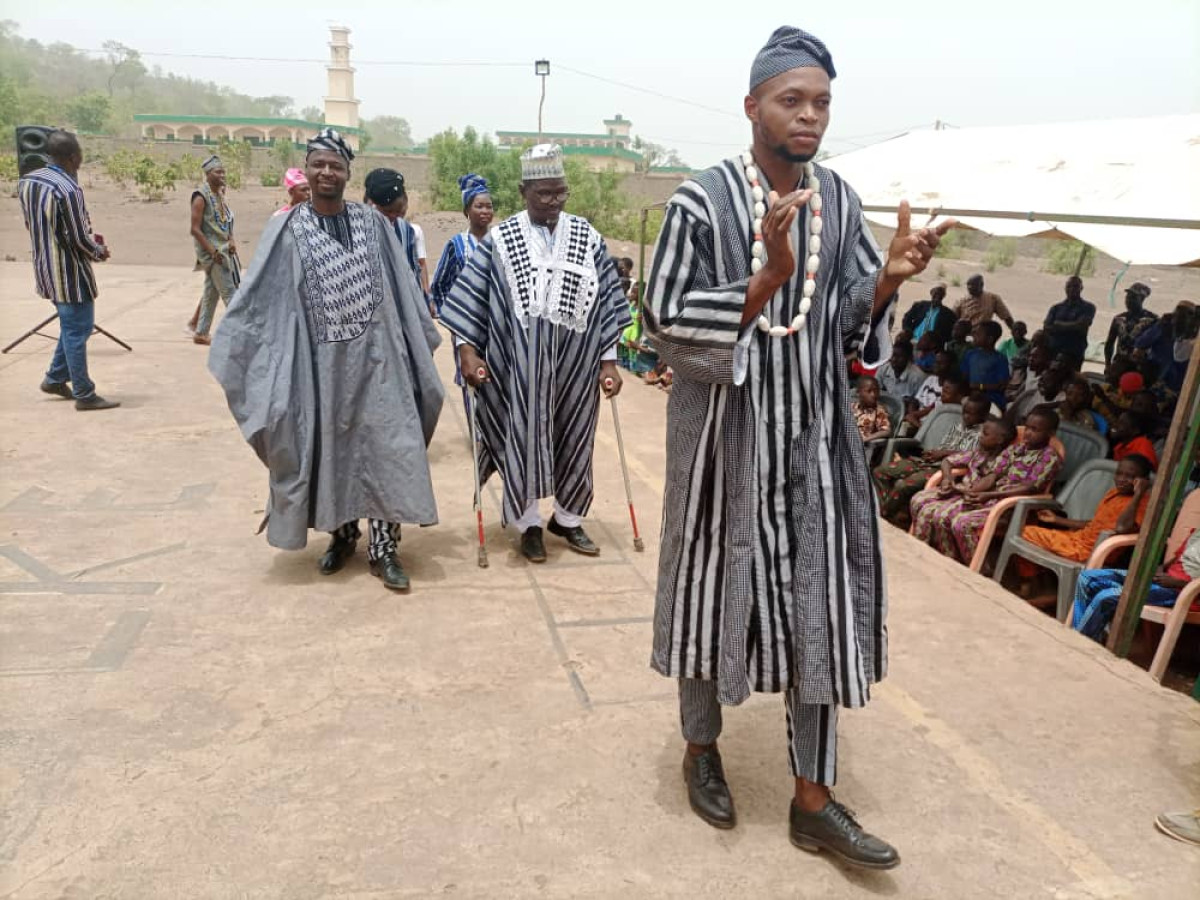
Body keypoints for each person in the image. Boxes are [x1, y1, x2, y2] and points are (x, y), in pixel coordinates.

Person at [643, 26, 953, 870]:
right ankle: (702, 749)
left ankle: (813, 799)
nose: (810, 115)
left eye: (821, 101)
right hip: (723, 449)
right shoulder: (699, 203)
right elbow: (666, 325)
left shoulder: (841, 201)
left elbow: (849, 316)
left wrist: (888, 278)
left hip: (813, 445)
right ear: (752, 107)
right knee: (712, 593)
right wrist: (765, 280)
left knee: (820, 604)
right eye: (792, 99)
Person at [208, 129, 444, 593]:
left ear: (348, 173)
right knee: (329, 449)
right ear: (307, 170)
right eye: (318, 164)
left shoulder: (373, 224)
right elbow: (262, 295)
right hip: (319, 368)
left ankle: (385, 548)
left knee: (385, 449)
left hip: (380, 365)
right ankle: (342, 535)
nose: (326, 172)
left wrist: (412, 345)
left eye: (335, 165)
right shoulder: (286, 228)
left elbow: (403, 291)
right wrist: (240, 341)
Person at [440, 143, 632, 563]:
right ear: (524, 190)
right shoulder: (501, 241)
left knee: (576, 438)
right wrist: (467, 353)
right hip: (520, 367)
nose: (554, 202)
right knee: (523, 438)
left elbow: (608, 306)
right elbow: (470, 300)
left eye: (561, 192)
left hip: (576, 366)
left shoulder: (587, 237)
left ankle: (568, 517)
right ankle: (528, 525)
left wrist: (609, 361)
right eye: (544, 193)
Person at [17, 129, 119, 411]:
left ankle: (54, 378)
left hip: (44, 269)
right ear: (74, 157)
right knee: (77, 330)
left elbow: (31, 224)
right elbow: (77, 237)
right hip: (69, 273)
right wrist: (99, 252)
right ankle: (85, 394)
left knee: (73, 326)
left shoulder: (28, 181)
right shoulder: (68, 189)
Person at [915, 410, 1061, 564]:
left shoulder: (1048, 456)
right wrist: (970, 492)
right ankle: (949, 559)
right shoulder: (1015, 449)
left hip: (1011, 509)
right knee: (941, 515)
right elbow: (993, 476)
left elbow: (1030, 487)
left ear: (1050, 433)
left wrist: (989, 495)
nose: (1028, 433)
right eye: (1027, 427)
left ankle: (976, 567)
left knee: (961, 523)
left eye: (1035, 430)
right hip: (990, 500)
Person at [1014, 455, 1153, 588]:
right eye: (1119, 473)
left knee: (1026, 533)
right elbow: (1095, 524)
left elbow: (1122, 528)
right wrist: (1058, 520)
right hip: (1077, 540)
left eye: (1130, 476)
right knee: (1022, 530)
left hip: (1091, 552)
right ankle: (1038, 585)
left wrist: (1138, 494)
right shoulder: (1114, 493)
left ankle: (1031, 585)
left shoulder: (1143, 503)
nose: (1121, 479)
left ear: (1143, 480)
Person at [874, 392, 989, 527]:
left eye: (970, 413)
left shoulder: (984, 433)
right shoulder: (959, 425)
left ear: (983, 415)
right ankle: (892, 510)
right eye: (964, 412)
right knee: (880, 472)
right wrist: (933, 453)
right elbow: (944, 446)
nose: (965, 416)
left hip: (943, 470)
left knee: (904, 485)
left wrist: (943, 453)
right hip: (929, 461)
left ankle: (883, 515)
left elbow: (973, 456)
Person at [1072, 528, 1199, 644]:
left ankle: (1080, 642)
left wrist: (1177, 583)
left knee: (1107, 595)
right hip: (1163, 579)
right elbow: (1179, 558)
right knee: (1087, 578)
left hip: (1181, 591)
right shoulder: (1196, 532)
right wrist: (1160, 569)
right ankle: (1085, 636)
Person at [910, 418, 1016, 553]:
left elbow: (986, 485)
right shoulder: (978, 453)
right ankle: (922, 543)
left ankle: (947, 554)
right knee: (918, 498)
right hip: (960, 492)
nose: (980, 436)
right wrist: (947, 479)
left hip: (977, 500)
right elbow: (947, 461)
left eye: (985, 434)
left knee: (935, 514)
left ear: (999, 440)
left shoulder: (1004, 461)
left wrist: (956, 489)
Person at [189, 155, 240, 346]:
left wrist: (231, 239)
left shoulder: (219, 195)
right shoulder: (200, 197)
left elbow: (226, 222)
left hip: (224, 250)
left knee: (211, 293)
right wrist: (212, 252)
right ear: (208, 174)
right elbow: (195, 229)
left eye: (223, 171)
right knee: (231, 294)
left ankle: (201, 333)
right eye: (218, 172)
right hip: (215, 254)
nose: (222, 175)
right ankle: (243, 336)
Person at [362, 168, 426, 299]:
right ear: (371, 204)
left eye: (398, 212)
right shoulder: (356, 230)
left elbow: (414, 271)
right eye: (387, 211)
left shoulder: (406, 231)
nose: (393, 217)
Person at [1134, 301, 1197, 393]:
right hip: (1156, 378)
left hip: (1178, 384)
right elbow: (1140, 344)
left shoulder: (1193, 335)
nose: (1181, 317)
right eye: (1178, 312)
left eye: (1186, 314)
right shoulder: (1164, 326)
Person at [1042, 276, 1096, 366]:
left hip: (1074, 353)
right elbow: (1046, 327)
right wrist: (1072, 326)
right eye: (1069, 286)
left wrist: (1058, 324)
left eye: (1075, 286)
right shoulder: (1056, 307)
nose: (1071, 289)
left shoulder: (1088, 307)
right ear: (1065, 288)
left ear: (1081, 288)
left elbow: (1082, 325)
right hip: (1054, 350)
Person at [960, 321, 1010, 410]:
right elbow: (964, 377)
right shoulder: (970, 354)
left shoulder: (999, 359)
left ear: (990, 339)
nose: (974, 336)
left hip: (992, 402)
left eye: (978, 334)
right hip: (971, 399)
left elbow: (1002, 385)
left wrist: (980, 386)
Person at [1104, 282, 1155, 365]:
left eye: (1133, 297)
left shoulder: (1151, 320)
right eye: (1127, 297)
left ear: (1142, 299)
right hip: (1119, 364)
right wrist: (1107, 364)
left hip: (1140, 366)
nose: (1128, 300)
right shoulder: (1119, 319)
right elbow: (1109, 343)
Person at [852, 375, 891, 442]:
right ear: (858, 393)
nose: (873, 394)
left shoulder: (878, 411)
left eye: (876, 391)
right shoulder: (851, 407)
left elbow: (886, 431)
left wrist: (865, 439)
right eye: (869, 391)